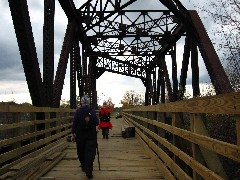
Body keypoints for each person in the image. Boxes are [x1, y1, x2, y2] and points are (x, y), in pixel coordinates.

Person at [71, 95, 99, 179]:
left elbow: (75, 123)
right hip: (91, 134)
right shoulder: (92, 111)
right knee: (90, 152)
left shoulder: (78, 111)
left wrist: (73, 133)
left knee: (81, 151)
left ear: (81, 103)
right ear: (89, 102)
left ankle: (83, 166)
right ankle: (89, 170)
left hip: (80, 135)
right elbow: (97, 122)